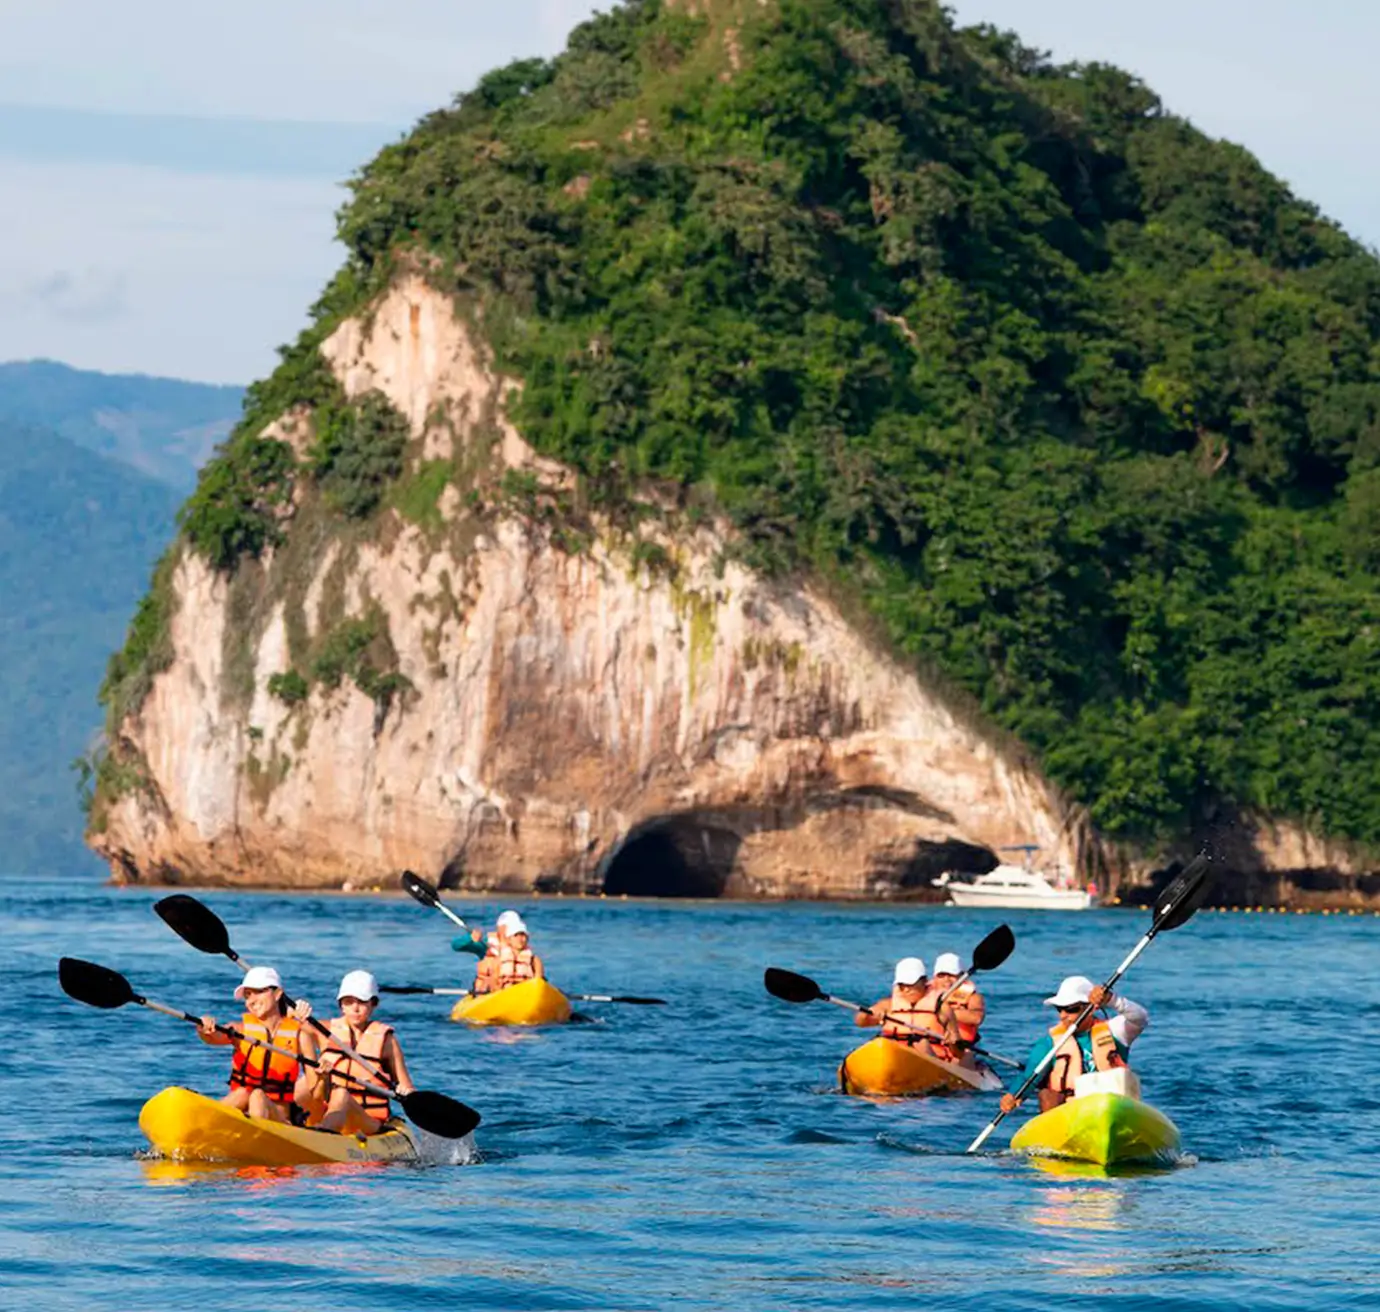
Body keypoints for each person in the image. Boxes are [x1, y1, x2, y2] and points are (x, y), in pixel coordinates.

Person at [999, 975, 1149, 1115]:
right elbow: (1030, 1076)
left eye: (1071, 1009)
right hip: (1072, 1111)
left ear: (1092, 1008)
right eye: (1059, 1009)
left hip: (1113, 1106)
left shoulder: (1115, 1031)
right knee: (1047, 1095)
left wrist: (1112, 1000)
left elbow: (1140, 1018)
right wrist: (1013, 1095)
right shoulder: (1049, 1043)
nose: (1063, 1015)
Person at [298, 970, 417, 1137]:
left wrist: (405, 1092)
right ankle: (290, 1124)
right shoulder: (325, 1031)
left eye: (362, 1002)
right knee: (304, 1084)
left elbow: (408, 1088)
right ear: (341, 1005)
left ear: (373, 1004)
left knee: (341, 1095)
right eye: (348, 1002)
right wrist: (297, 1011)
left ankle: (323, 1134)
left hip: (368, 1120)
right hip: (328, 1110)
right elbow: (292, 1025)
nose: (355, 1008)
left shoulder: (387, 1042)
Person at [197, 966, 318, 1124]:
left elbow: (317, 1091)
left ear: (277, 994)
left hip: (280, 1121)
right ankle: (201, 1122)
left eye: (259, 992)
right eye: (247, 995)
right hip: (243, 1111)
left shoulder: (300, 1035)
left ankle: (213, 1123)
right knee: (243, 1093)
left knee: (257, 1096)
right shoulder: (241, 1030)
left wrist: (323, 1075)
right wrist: (203, 1027)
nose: (252, 1000)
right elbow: (212, 1037)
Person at [854, 956, 961, 1059]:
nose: (906, 990)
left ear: (924, 981)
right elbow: (860, 1022)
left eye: (911, 984)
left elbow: (958, 1053)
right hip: (895, 1055)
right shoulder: (888, 1005)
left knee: (922, 1044)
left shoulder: (942, 1008)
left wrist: (954, 1042)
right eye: (902, 985)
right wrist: (867, 1014)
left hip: (932, 1060)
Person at [930, 951, 986, 1065]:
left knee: (963, 1057)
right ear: (934, 978)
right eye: (941, 975)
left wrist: (945, 1012)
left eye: (951, 975)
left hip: (961, 1050)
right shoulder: (924, 995)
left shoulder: (973, 997)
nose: (946, 980)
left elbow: (977, 1018)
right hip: (931, 1048)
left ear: (962, 977)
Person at [493, 911, 545, 990]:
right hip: (506, 993)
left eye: (523, 935)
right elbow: (494, 983)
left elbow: (538, 982)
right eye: (516, 935)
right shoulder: (499, 960)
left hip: (527, 992)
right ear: (509, 939)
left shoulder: (535, 960)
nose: (520, 939)